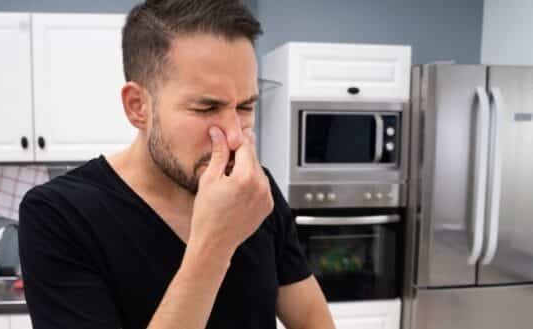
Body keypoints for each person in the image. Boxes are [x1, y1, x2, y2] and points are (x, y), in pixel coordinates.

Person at [18, 1, 336, 328]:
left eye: (245, 106)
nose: (234, 137)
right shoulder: (58, 214)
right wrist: (215, 245)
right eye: (206, 108)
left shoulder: (254, 189)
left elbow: (313, 320)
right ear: (138, 106)